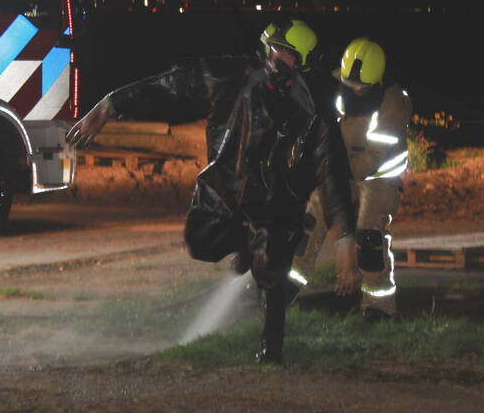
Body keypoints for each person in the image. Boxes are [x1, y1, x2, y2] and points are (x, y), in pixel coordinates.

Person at [67, 18, 361, 362]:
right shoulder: (231, 77)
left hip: (278, 203)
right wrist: (111, 104)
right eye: (278, 51)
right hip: (224, 186)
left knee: (273, 270)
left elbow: (335, 177)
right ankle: (248, 244)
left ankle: (272, 353)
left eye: (290, 56)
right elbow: (172, 83)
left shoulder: (314, 111)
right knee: (199, 241)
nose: (281, 60)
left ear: (304, 63)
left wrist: (345, 240)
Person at [291, 37, 412, 319]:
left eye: (362, 87)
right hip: (340, 168)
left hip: (378, 177)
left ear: (377, 80)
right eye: (351, 85)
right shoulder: (338, 87)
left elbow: (376, 156)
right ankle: (286, 286)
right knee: (311, 220)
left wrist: (335, 168)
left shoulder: (393, 102)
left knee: (369, 235)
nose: (356, 90)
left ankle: (378, 305)